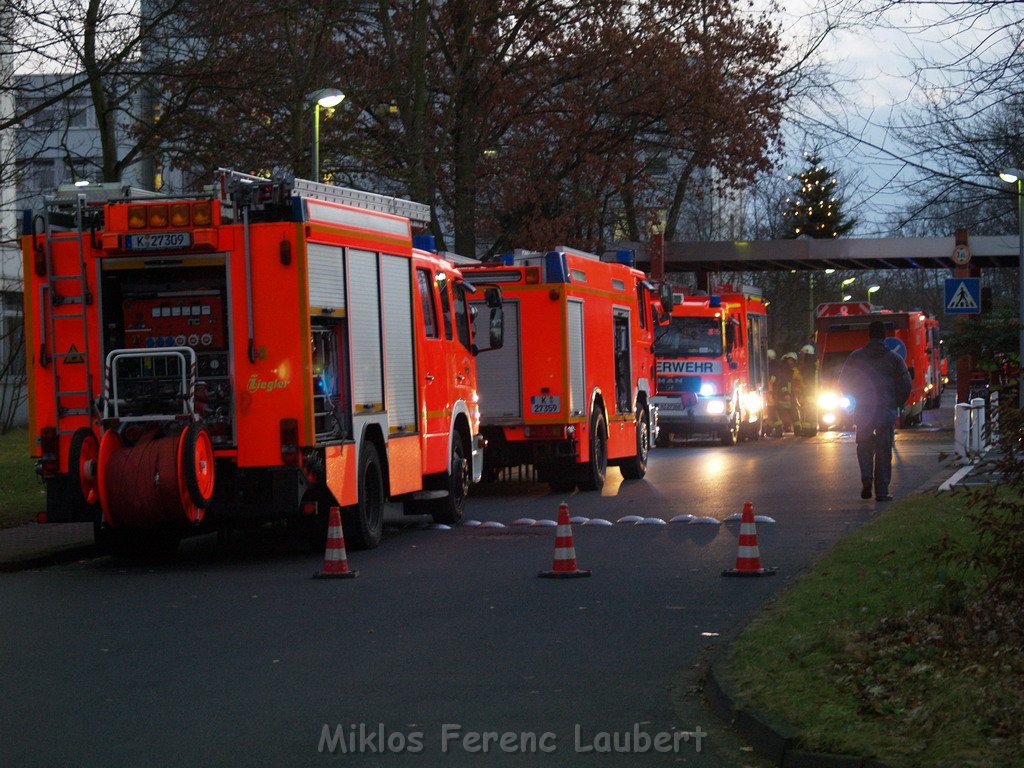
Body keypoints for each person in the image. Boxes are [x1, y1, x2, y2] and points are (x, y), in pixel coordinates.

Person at [838, 321, 912, 501]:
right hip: (885, 411)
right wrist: (896, 403)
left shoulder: (856, 357)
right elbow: (905, 384)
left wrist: (853, 399)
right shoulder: (894, 359)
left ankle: (866, 477)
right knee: (883, 450)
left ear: (869, 335)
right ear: (885, 336)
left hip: (863, 410)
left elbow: (843, 381)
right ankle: (882, 491)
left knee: (863, 445)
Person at [795, 344, 818, 435]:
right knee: (812, 411)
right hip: (814, 392)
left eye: (803, 354)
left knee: (807, 411)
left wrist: (802, 387)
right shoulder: (815, 364)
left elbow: (807, 380)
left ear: (807, 354)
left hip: (808, 392)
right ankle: (812, 430)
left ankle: (807, 430)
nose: (802, 356)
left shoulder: (807, 365)